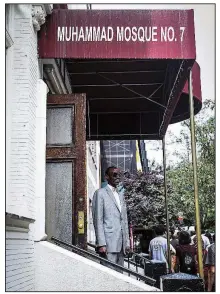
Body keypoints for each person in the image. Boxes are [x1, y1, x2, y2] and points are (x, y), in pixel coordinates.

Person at [92, 166, 130, 271]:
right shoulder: (100, 193)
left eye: (119, 175)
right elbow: (98, 220)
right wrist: (101, 244)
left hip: (121, 244)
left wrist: (126, 242)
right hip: (108, 244)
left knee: (120, 277)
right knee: (109, 276)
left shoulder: (121, 195)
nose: (118, 177)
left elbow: (124, 220)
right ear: (106, 177)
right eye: (114, 175)